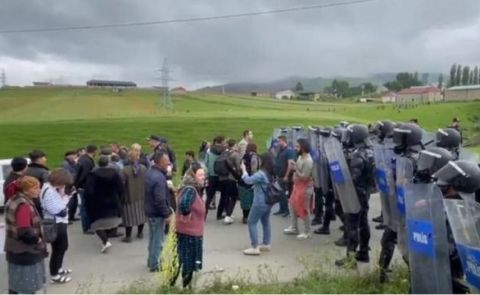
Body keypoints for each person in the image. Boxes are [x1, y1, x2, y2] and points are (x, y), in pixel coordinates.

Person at [335, 124, 375, 266]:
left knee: (353, 225)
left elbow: (353, 178)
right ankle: (364, 253)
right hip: (366, 192)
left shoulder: (358, 155)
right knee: (364, 223)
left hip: (356, 193)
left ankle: (350, 260)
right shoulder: (370, 151)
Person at [4, 176, 48, 294]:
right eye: (36, 188)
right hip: (25, 251)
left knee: (16, 283)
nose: (39, 190)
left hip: (14, 248)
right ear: (26, 190)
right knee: (27, 286)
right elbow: (24, 231)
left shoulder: (13, 199)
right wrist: (37, 239)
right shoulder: (24, 205)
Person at [171, 162, 206, 288]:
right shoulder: (191, 190)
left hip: (188, 232)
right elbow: (184, 205)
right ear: (193, 175)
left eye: (204, 174)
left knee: (181, 260)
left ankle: (174, 286)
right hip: (189, 233)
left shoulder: (192, 188)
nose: (203, 177)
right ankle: (185, 287)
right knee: (187, 262)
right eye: (200, 174)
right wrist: (188, 216)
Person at [40, 169, 74, 284]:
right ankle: (55, 274)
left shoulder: (51, 188)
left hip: (59, 222)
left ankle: (58, 268)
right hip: (56, 223)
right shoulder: (48, 191)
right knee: (59, 249)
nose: (64, 185)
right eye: (63, 183)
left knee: (61, 248)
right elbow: (57, 210)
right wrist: (67, 198)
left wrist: (63, 193)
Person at [84, 156, 123, 253]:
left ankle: (105, 240)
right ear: (108, 163)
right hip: (113, 200)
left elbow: (89, 190)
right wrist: (120, 198)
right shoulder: (115, 173)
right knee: (112, 220)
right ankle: (107, 237)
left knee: (97, 223)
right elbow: (120, 187)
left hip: (98, 201)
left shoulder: (93, 175)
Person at [241, 152, 275, 255]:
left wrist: (243, 170)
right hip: (269, 201)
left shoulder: (261, 173)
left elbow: (248, 180)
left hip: (260, 202)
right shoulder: (270, 173)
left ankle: (255, 247)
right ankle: (266, 243)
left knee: (251, 222)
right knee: (265, 221)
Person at [144, 151, 171, 272]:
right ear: (160, 162)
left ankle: (151, 260)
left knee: (152, 237)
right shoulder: (159, 178)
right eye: (167, 161)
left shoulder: (149, 173)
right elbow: (160, 199)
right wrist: (166, 214)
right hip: (157, 213)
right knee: (158, 239)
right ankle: (155, 263)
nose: (169, 163)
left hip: (149, 211)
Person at [283, 138, 314, 239]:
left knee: (304, 209)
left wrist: (295, 169)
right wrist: (295, 167)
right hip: (297, 187)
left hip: (305, 189)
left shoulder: (308, 161)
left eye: (297, 147)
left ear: (303, 148)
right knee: (292, 205)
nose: (295, 149)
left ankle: (307, 231)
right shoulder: (300, 157)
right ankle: (294, 227)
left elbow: (305, 177)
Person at [120, 147, 148, 243]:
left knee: (128, 217)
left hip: (129, 196)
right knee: (141, 215)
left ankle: (128, 236)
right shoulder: (144, 168)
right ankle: (140, 233)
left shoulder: (124, 170)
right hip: (141, 195)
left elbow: (121, 184)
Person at [74, 144, 97, 234]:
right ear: (94, 151)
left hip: (83, 187)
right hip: (85, 187)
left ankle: (88, 226)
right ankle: (87, 227)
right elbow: (84, 175)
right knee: (85, 207)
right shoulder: (87, 161)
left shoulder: (83, 159)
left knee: (86, 207)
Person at [219, 139, 242, 224]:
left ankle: (227, 213)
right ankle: (228, 215)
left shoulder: (226, 153)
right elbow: (238, 167)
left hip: (224, 177)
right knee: (234, 196)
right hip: (232, 178)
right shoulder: (235, 155)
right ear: (234, 145)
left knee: (227, 196)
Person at [273, 135, 296, 217]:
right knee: (280, 193)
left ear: (283, 141)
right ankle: (281, 209)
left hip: (284, 176)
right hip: (279, 175)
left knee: (283, 194)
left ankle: (286, 210)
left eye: (279, 141)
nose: (278, 143)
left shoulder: (289, 151)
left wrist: (286, 176)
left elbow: (290, 164)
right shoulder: (280, 150)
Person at [204, 136, 226, 216]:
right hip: (222, 175)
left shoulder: (209, 150)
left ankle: (204, 213)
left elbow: (206, 163)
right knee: (223, 195)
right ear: (222, 141)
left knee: (209, 195)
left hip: (212, 175)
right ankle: (220, 213)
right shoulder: (224, 150)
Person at [238, 143, 259, 224]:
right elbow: (254, 169)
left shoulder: (244, 156)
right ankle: (250, 217)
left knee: (244, 200)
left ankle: (245, 216)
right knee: (251, 199)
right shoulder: (254, 157)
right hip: (250, 180)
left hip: (242, 180)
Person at [63, 151, 79, 223]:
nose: (75, 157)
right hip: (68, 185)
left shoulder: (73, 163)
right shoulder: (65, 164)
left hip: (73, 184)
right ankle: (68, 217)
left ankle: (72, 216)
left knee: (75, 201)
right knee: (70, 202)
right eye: (73, 155)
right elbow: (69, 174)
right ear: (68, 156)